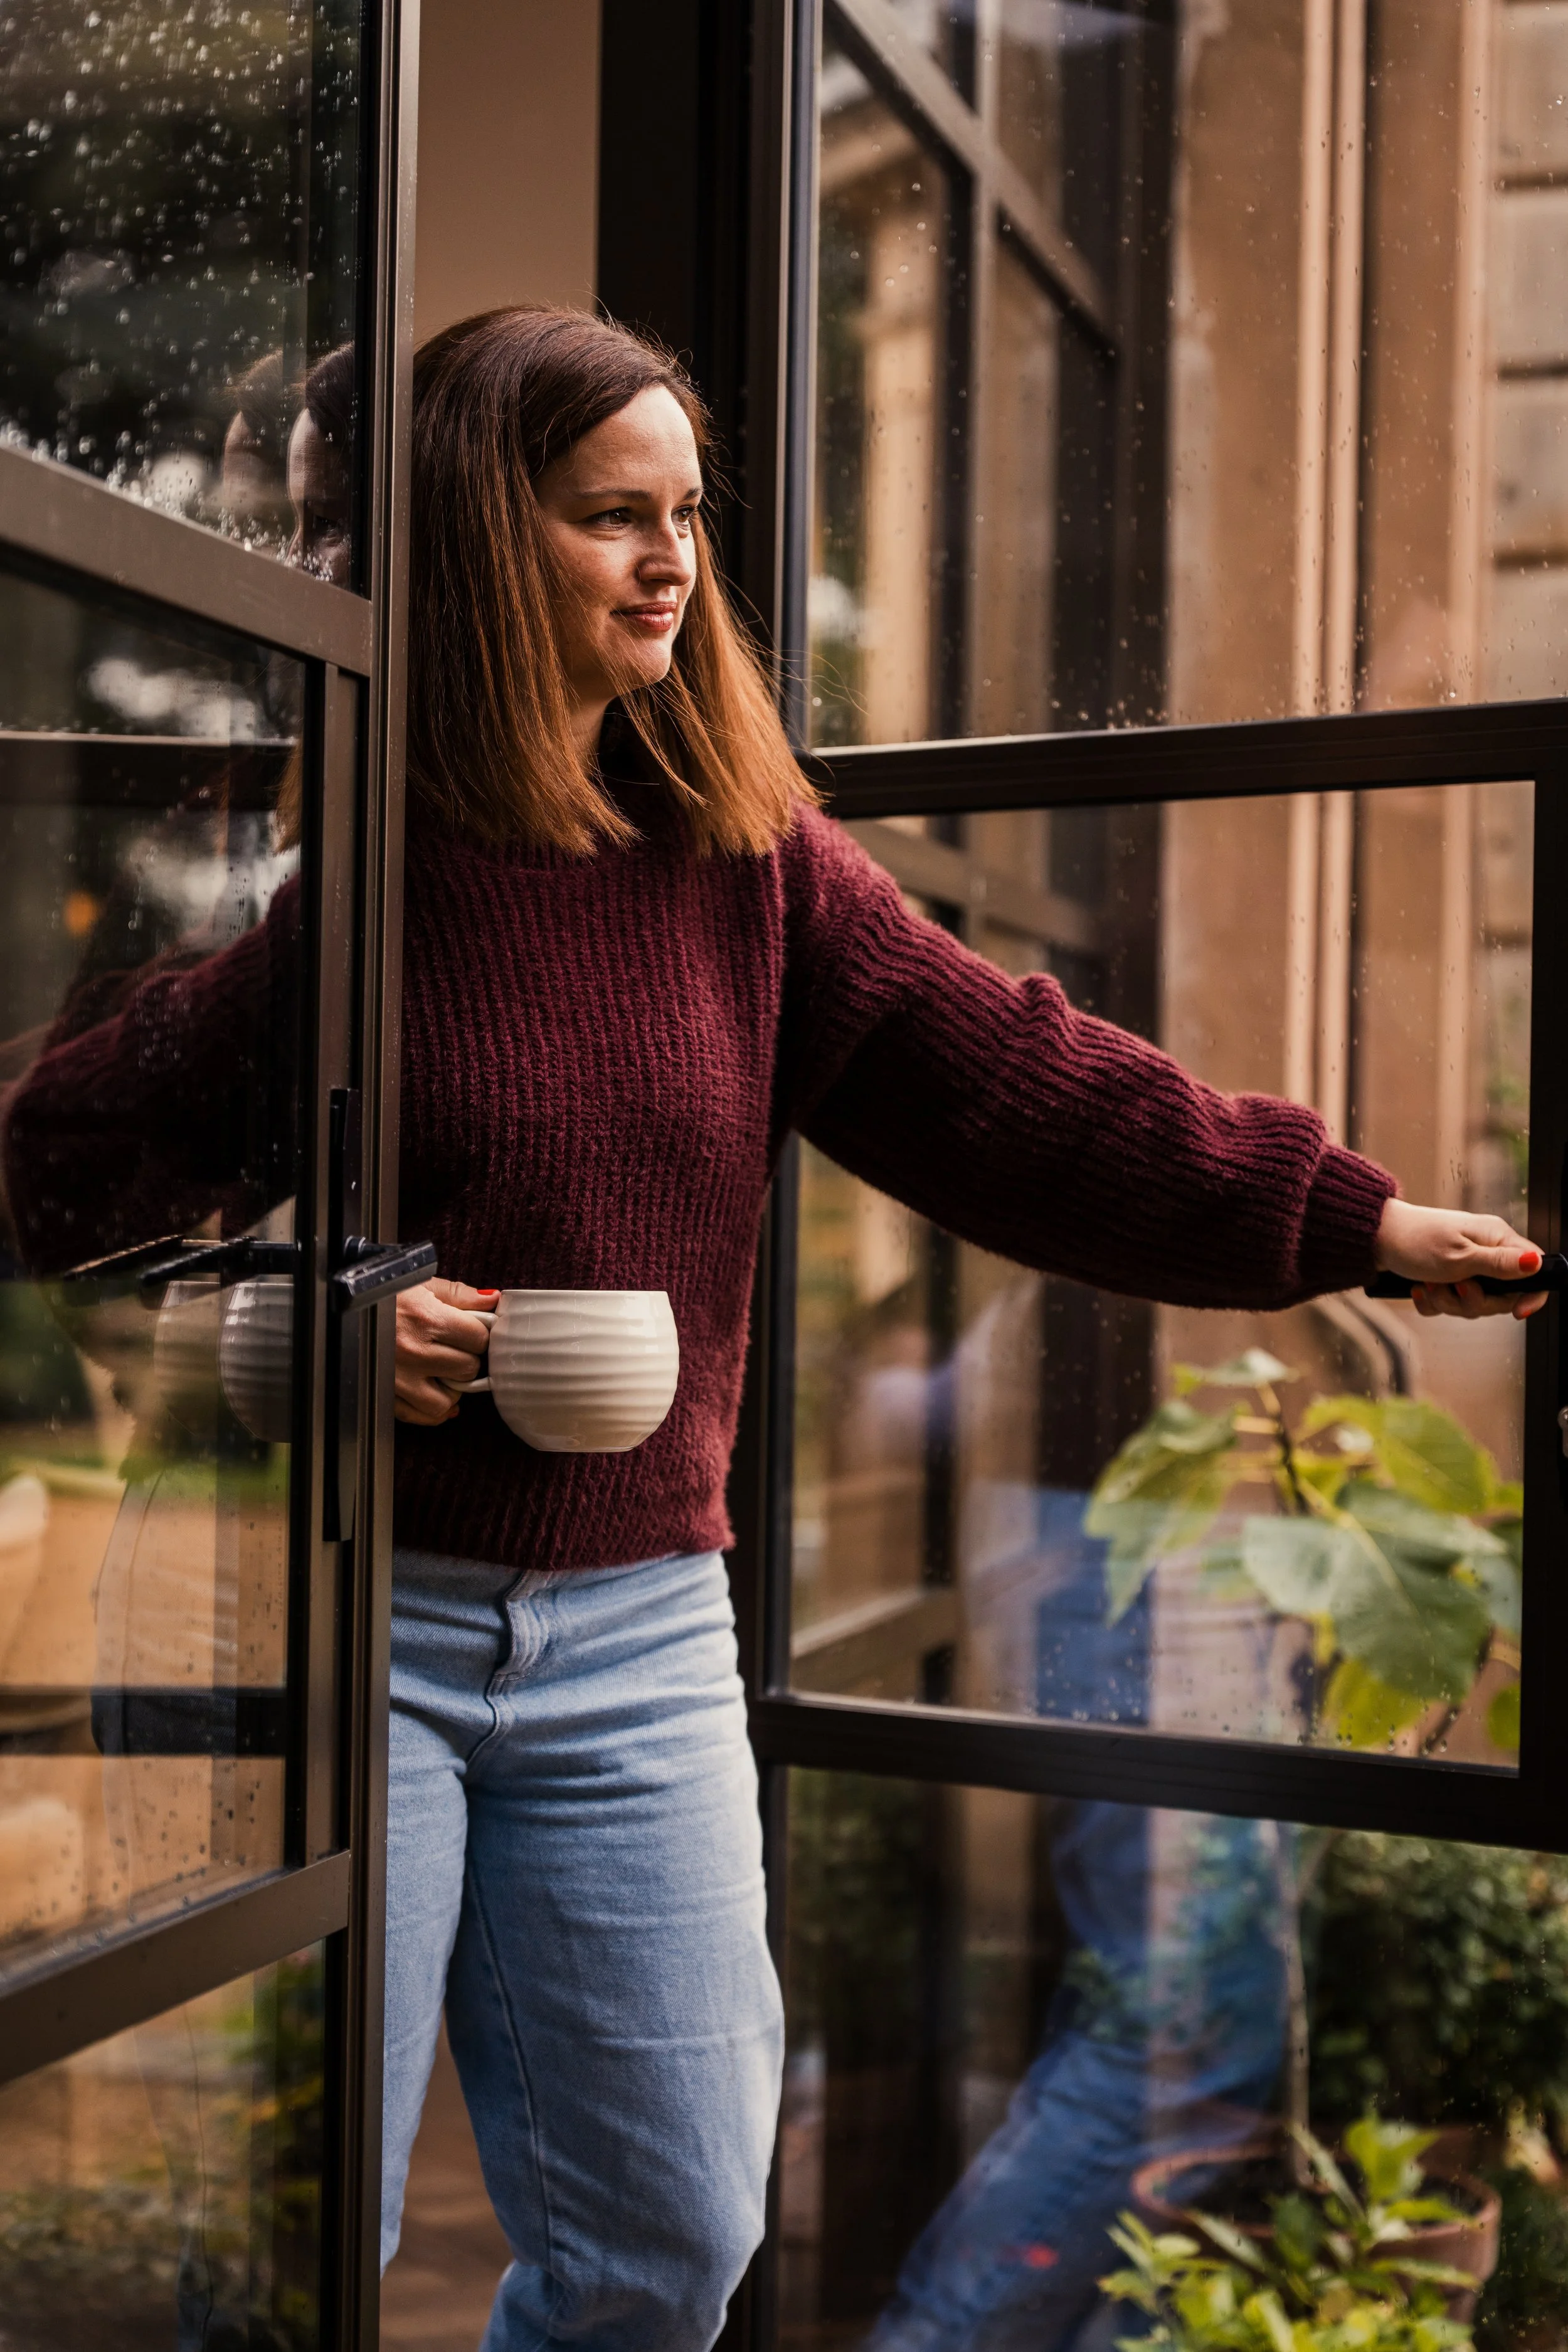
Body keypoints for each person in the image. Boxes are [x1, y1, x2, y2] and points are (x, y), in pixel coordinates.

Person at [0, 305, 1544, 2352]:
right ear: (475, 536)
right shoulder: (329, 871)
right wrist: (321, 1312)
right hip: (348, 1619)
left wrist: (1344, 1215)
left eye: (688, 516)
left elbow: (1032, 1089)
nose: (672, 562)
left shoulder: (745, 866)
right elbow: (64, 1170)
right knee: (299, 2262)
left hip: (636, 1633)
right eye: (608, 516)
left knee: (672, 2244)